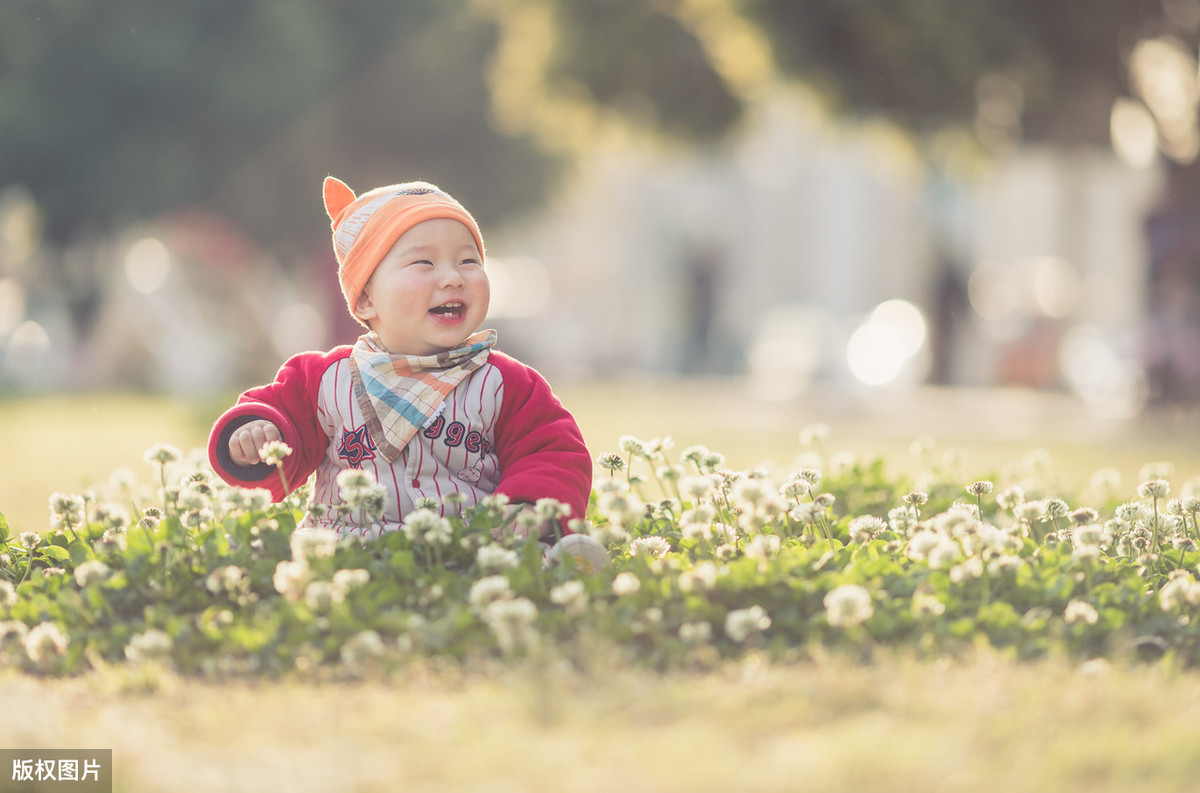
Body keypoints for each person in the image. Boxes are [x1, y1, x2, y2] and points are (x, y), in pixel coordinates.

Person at [207, 176, 607, 570]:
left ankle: (562, 562)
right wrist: (259, 434)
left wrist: (528, 509)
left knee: (527, 558)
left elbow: (551, 450)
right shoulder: (325, 378)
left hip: (468, 547)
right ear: (365, 299)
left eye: (469, 261)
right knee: (263, 557)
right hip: (348, 549)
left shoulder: (505, 383)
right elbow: (280, 416)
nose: (453, 277)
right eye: (424, 263)